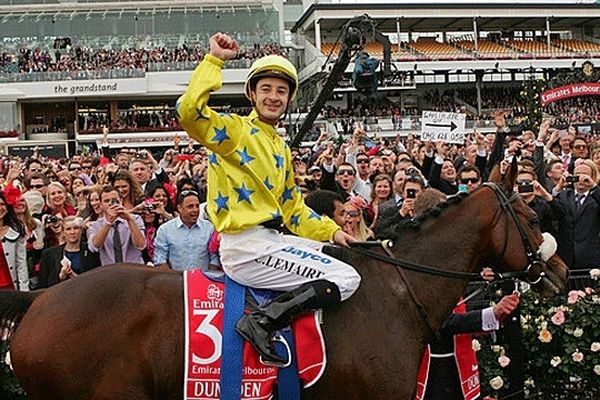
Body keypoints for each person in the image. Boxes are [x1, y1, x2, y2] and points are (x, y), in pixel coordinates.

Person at [177, 32, 360, 365]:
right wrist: (214, 60)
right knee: (347, 279)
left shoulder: (280, 148)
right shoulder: (234, 131)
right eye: (266, 89)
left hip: (271, 242)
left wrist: (333, 232)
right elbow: (189, 113)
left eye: (281, 91)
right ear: (252, 94)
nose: (274, 97)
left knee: (346, 259)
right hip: (246, 248)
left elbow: (294, 211)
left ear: (289, 97)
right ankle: (263, 321)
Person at [153, 190, 220, 271]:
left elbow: (214, 258)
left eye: (197, 206)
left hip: (204, 280)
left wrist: (208, 278)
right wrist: (171, 279)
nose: (195, 210)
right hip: (176, 281)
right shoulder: (165, 230)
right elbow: (160, 259)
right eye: (190, 206)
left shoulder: (209, 228)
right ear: (179, 208)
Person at [87, 186, 146, 265]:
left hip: (134, 270)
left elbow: (141, 245)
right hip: (111, 272)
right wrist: (108, 222)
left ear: (121, 201)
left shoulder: (135, 219)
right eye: (107, 201)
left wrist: (129, 219)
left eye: (115, 200)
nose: (111, 204)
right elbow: (94, 247)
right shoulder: (95, 225)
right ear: (100, 204)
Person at [37, 217, 100, 288]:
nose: (72, 232)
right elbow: (42, 284)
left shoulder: (91, 252)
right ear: (63, 232)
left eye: (76, 228)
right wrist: (60, 277)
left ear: (81, 230)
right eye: (68, 229)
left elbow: (95, 282)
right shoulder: (49, 254)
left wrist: (75, 277)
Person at [0, 191, 29, 291]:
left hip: (10, 288)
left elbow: (21, 264)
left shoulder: (15, 231)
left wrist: (24, 292)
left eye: (2, 204)